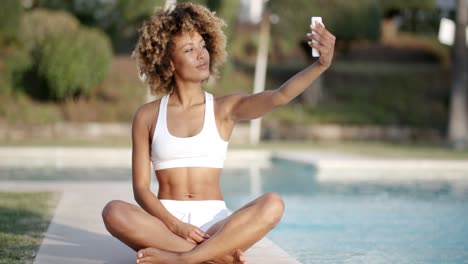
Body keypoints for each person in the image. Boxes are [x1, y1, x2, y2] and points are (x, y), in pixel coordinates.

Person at [101, 2, 335, 264]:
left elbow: (279, 96)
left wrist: (320, 66)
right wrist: (177, 226)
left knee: (273, 204)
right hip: (165, 224)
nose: (201, 55)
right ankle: (216, 257)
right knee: (114, 212)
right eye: (189, 49)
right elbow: (141, 190)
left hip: (215, 224)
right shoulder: (147, 115)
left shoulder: (224, 109)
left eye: (202, 45)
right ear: (169, 63)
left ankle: (183, 259)